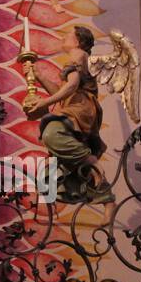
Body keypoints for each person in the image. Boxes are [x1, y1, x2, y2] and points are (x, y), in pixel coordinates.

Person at [24, 25, 112, 205]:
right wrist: (38, 75)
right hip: (74, 105)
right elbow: (63, 92)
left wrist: (44, 103)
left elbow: (71, 86)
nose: (64, 38)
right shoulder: (77, 57)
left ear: (78, 41)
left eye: (68, 36)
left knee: (52, 134)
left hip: (81, 107)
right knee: (58, 144)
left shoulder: (78, 54)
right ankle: (106, 199)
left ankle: (93, 162)